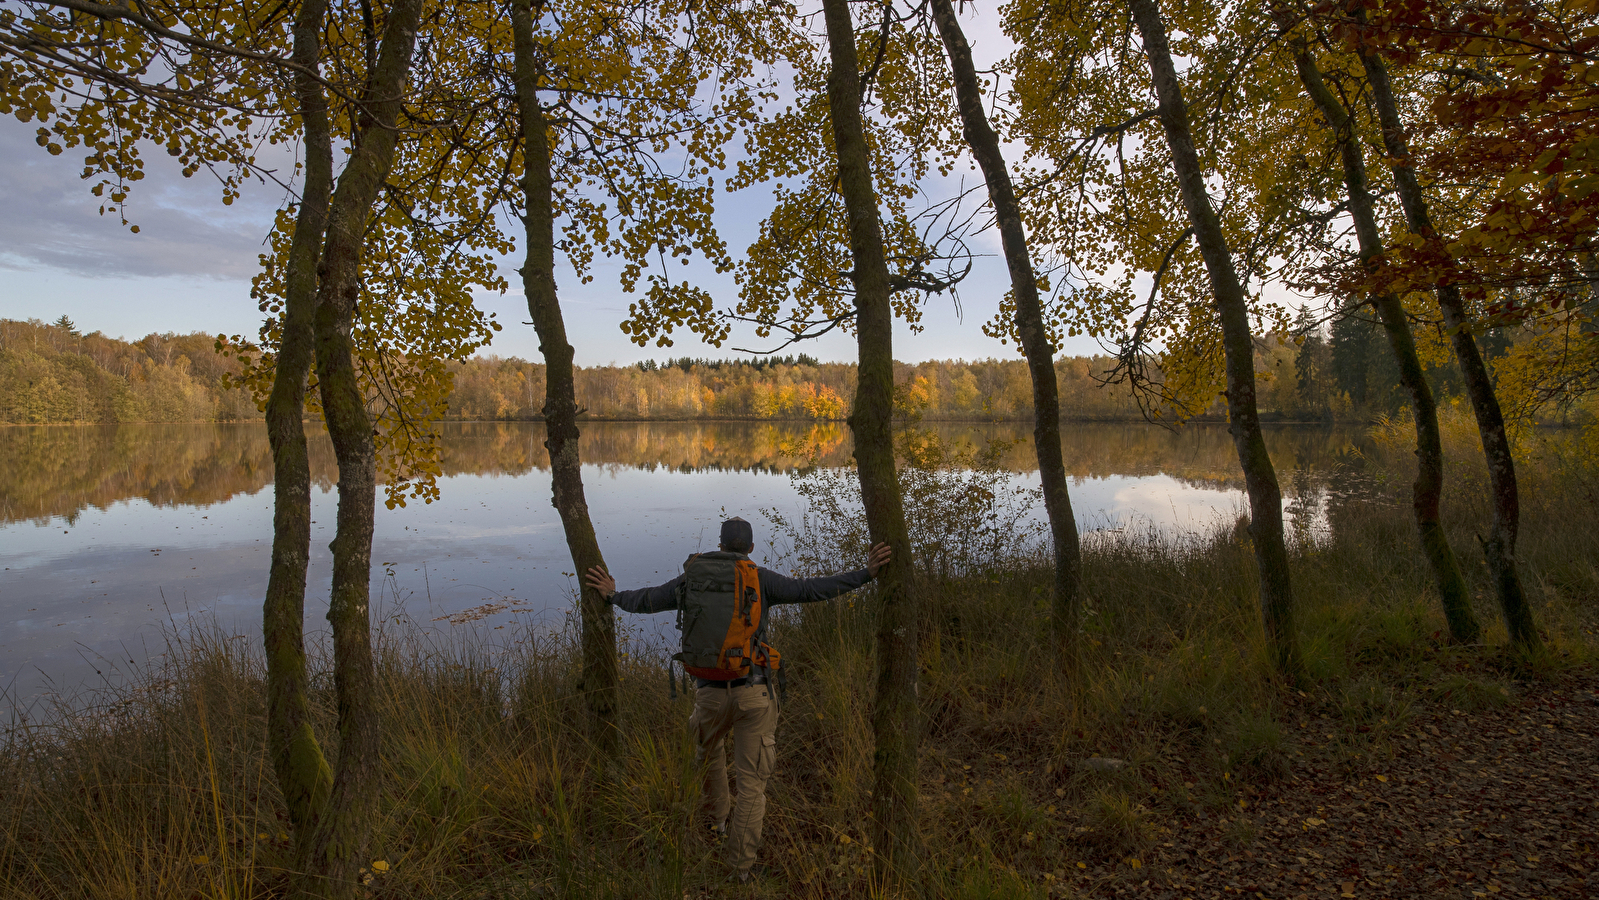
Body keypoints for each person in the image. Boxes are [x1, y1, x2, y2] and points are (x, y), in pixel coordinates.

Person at [583, 516, 892, 884]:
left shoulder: (693, 578)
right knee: (751, 785)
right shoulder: (759, 578)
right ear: (750, 549)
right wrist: (866, 574)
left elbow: (649, 600)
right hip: (755, 694)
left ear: (720, 545)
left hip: (709, 696)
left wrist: (613, 595)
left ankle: (717, 822)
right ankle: (740, 868)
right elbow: (811, 590)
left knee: (708, 752)